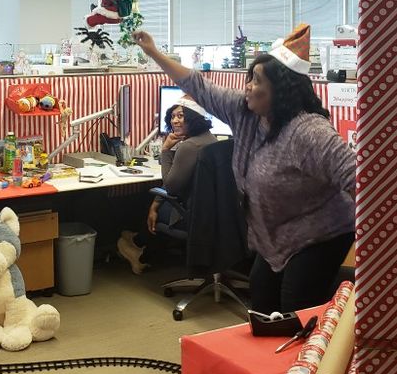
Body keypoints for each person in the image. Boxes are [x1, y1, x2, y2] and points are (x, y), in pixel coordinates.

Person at [132, 24, 355, 313]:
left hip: (320, 235)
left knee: (294, 309)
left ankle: (305, 357)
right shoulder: (245, 112)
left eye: (256, 81)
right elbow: (198, 86)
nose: (247, 86)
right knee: (261, 303)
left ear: (280, 88)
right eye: (249, 78)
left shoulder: (309, 132)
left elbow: (357, 179)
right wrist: (153, 52)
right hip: (273, 238)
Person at [117, 97, 216, 275]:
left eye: (181, 116)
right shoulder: (211, 140)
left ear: (194, 118)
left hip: (191, 216)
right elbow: (179, 182)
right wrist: (156, 203)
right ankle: (138, 243)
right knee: (156, 201)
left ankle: (138, 249)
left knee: (141, 198)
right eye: (172, 116)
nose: (175, 120)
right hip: (212, 214)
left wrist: (165, 150)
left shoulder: (189, 147)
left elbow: (171, 186)